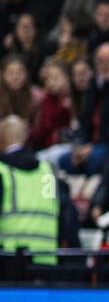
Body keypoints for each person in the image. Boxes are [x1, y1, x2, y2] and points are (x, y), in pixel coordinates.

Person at [0, 115, 76, 275]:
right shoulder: (47, 171)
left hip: (8, 260)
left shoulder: (3, 171)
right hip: (46, 258)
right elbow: (63, 212)